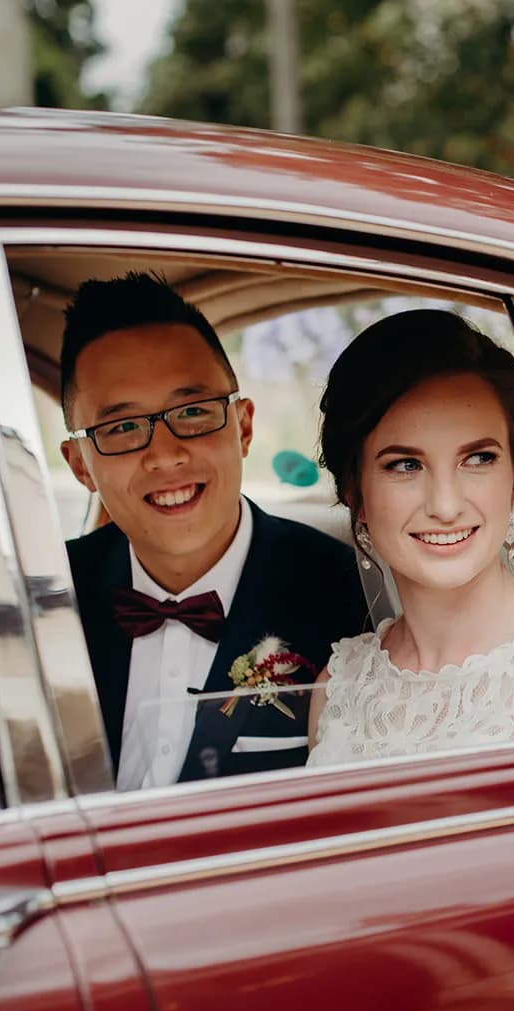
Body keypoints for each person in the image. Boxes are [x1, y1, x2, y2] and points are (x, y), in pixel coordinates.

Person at [60, 272, 368, 789]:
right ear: (80, 466)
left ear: (243, 427)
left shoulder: (352, 595)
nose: (165, 454)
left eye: (194, 412)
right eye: (122, 427)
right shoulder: (41, 601)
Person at [306, 309, 514, 765]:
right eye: (405, 465)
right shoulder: (337, 686)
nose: (445, 505)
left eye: (478, 459)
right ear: (354, 493)